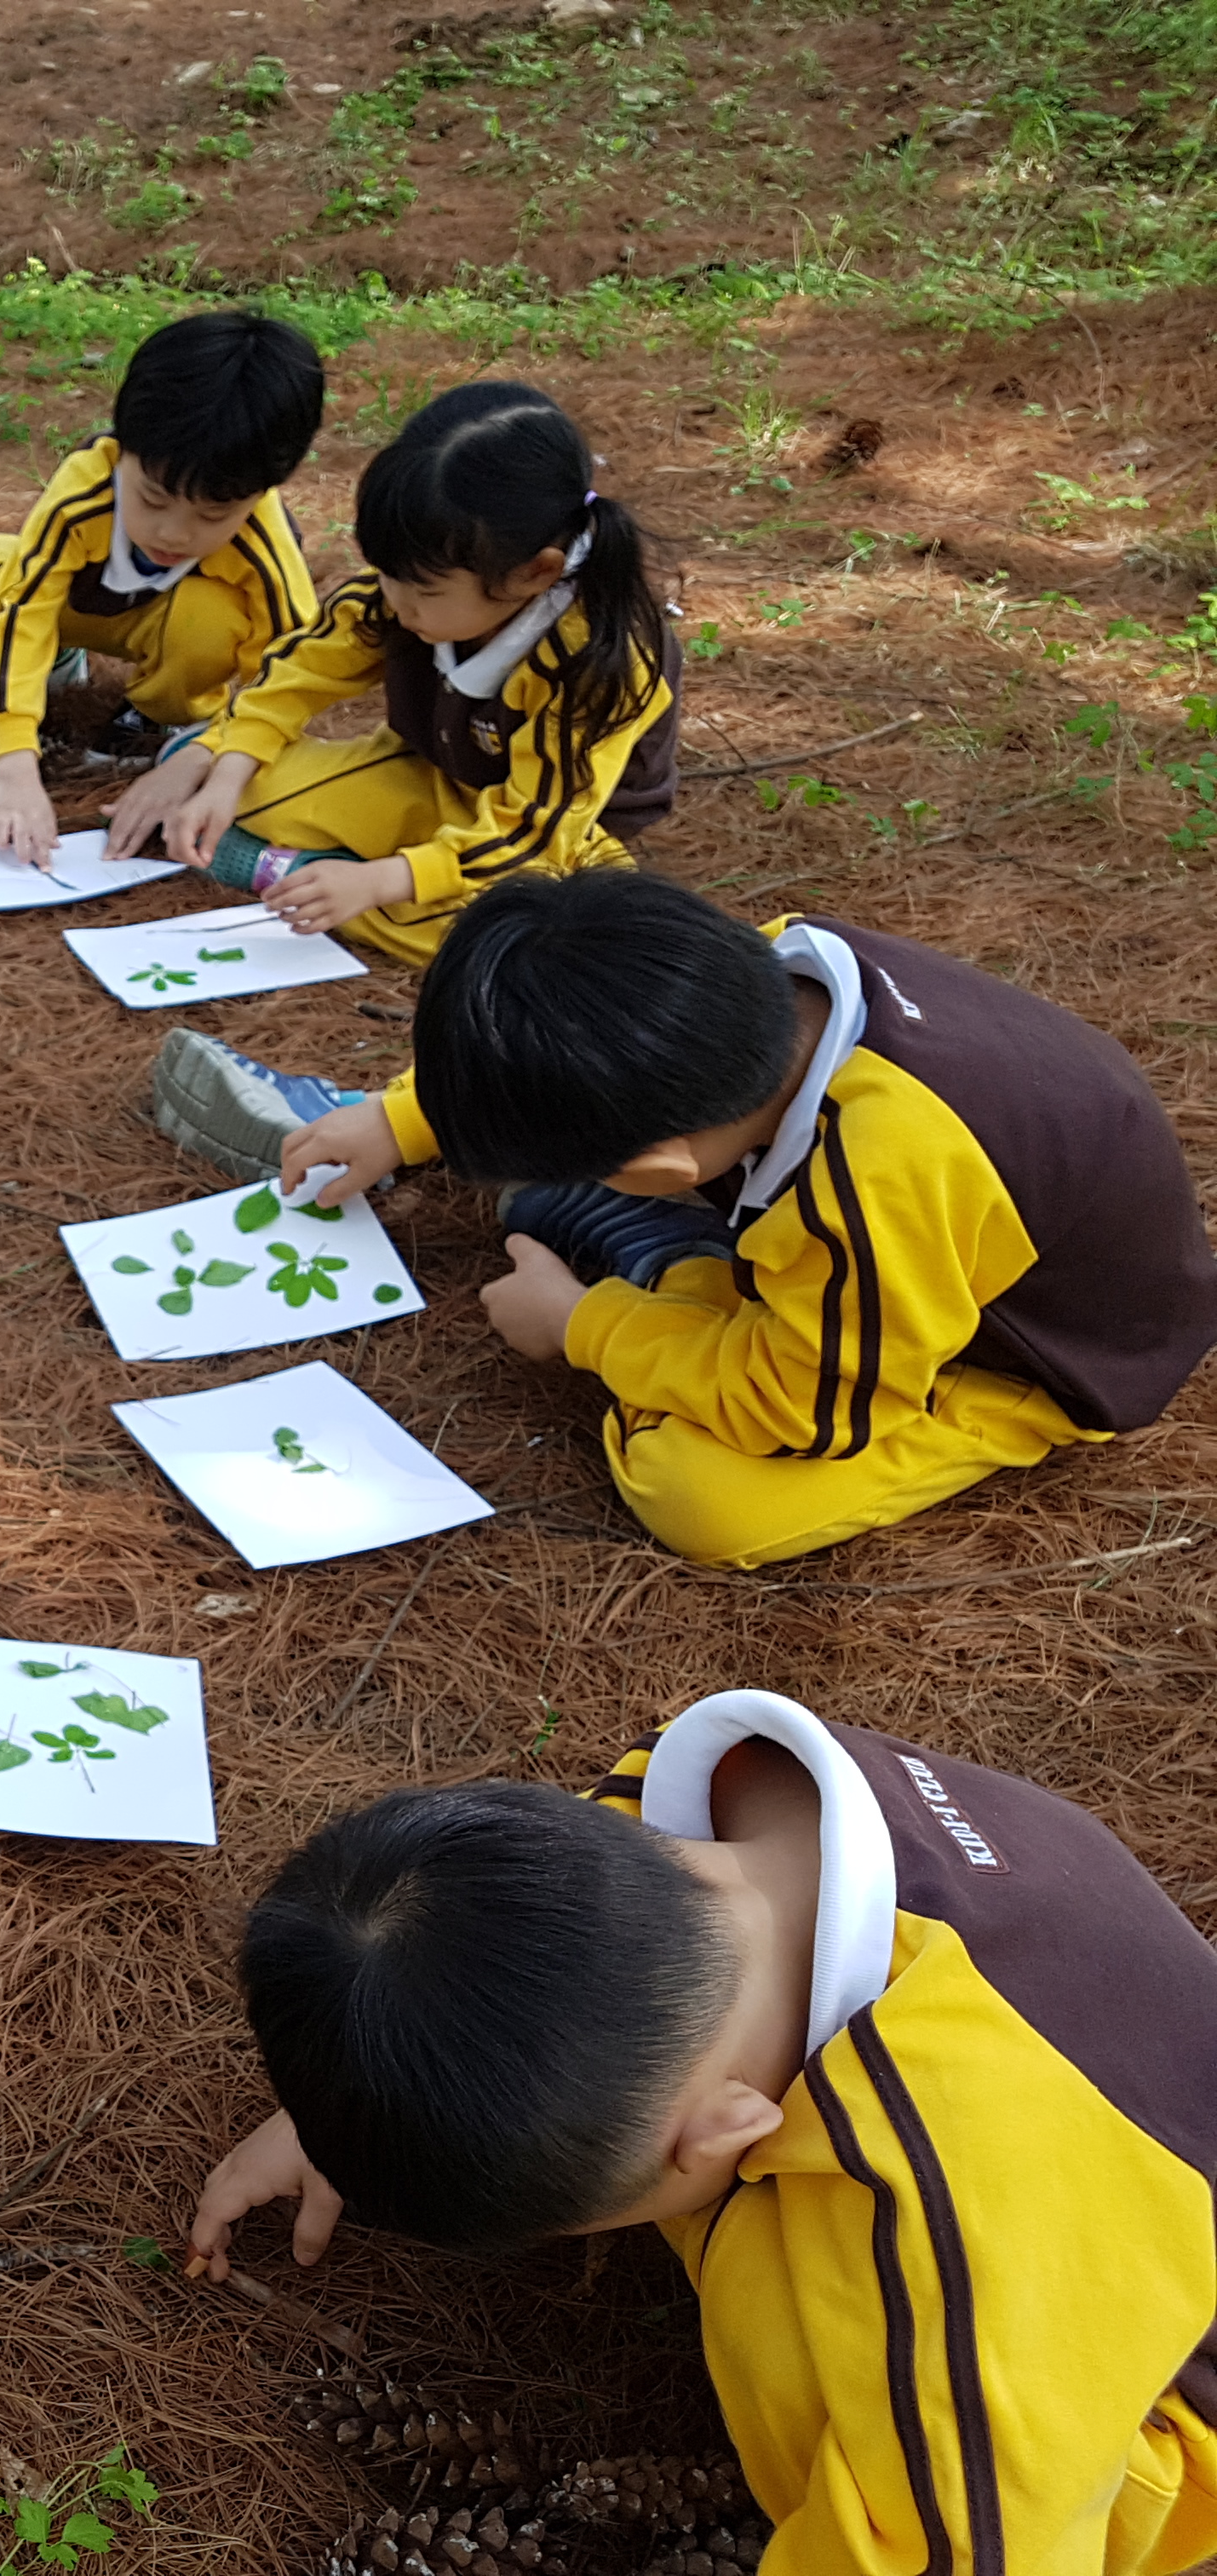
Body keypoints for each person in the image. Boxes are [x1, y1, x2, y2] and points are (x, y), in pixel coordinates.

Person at [190, 1687, 1217, 2576]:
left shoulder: (966, 2242)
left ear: (734, 2137)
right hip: (1110, 2108)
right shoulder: (709, 1798)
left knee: (825, 2383)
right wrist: (354, 2101)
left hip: (1153, 2397)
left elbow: (987, 2546)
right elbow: (489, 1957)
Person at [158, 871, 1217, 1567]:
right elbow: (583, 1031)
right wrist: (399, 1118)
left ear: (667, 1166)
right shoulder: (755, 969)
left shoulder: (876, 1184)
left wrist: (584, 1328)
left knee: (703, 1498)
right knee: (570, 1193)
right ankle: (670, 1253)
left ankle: (671, 1262)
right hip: (870, 1262)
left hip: (1010, 1359)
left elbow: (804, 1414)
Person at [128, 380, 677, 963]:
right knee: (218, 777)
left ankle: (316, 877)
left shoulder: (595, 660)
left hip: (554, 838)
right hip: (424, 777)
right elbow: (297, 674)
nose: (396, 601)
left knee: (526, 945)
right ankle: (325, 874)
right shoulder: (408, 588)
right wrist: (225, 772)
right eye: (387, 576)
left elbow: (533, 835)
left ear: (534, 574)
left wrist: (382, 881)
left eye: (422, 590)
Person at [0, 310, 324, 864]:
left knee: (210, 618)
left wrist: (202, 754)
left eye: (213, 515)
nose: (173, 533)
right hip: (83, 606)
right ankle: (55, 665)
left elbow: (292, 676)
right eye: (153, 499)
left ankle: (164, 710)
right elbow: (21, 609)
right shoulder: (86, 489)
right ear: (123, 451)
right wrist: (14, 763)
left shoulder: (265, 547)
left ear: (264, 491)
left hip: (174, 630)